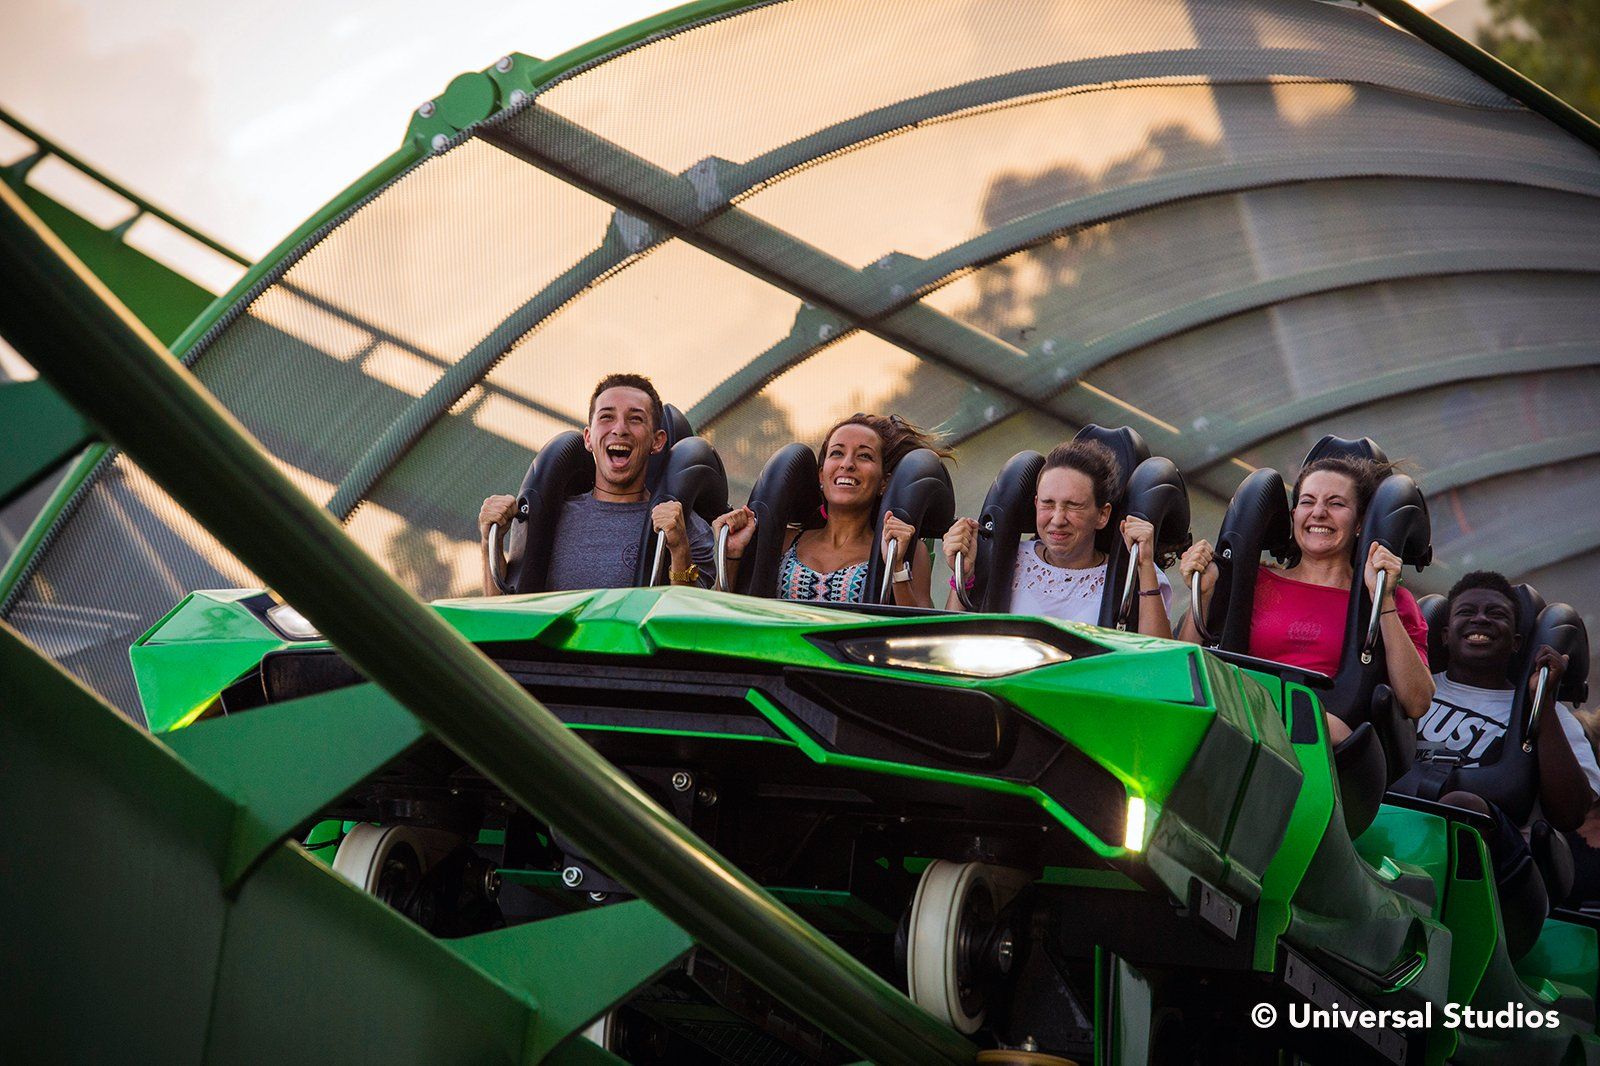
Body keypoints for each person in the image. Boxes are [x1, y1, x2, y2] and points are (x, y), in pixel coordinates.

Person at [1177, 455, 1433, 743]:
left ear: (1360, 522)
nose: (1319, 513)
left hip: (1326, 743)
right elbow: (1180, 673)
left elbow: (1417, 702)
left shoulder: (1390, 597)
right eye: (1308, 502)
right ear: (1294, 515)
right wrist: (1203, 595)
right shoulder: (1251, 583)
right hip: (1241, 723)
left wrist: (1382, 600)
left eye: (1336, 504)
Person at [478, 373, 713, 594]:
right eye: (607, 417)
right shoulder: (549, 518)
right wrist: (491, 539)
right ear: (588, 438)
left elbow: (698, 626)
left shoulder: (682, 524)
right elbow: (501, 616)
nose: (619, 429)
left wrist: (680, 549)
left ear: (657, 441)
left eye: (635, 419)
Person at [1415, 571, 1599, 839]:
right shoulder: (1414, 686)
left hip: (1491, 852)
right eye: (1467, 612)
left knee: (1462, 807)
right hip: (1394, 823)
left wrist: (1543, 703)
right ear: (1444, 635)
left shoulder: (1547, 711)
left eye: (1496, 614)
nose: (1480, 619)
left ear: (1516, 643)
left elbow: (1570, 813)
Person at [940, 440, 1172, 635]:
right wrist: (963, 574)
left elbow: (1161, 665)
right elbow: (952, 639)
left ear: (1102, 515)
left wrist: (1145, 567)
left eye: (1074, 506)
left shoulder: (1133, 573)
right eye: (1048, 503)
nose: (1058, 518)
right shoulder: (1000, 558)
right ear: (1035, 504)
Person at [713, 414, 945, 607]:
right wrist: (732, 555)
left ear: (884, 482)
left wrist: (896, 566)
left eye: (864, 455)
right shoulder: (782, 540)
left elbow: (919, 631)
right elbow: (724, 613)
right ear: (821, 476)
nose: (847, 464)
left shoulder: (904, 549)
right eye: (837, 453)